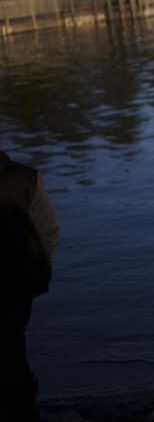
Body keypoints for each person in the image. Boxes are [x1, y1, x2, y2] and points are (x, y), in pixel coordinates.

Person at [0, 151, 59, 421]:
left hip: (17, 282)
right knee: (12, 347)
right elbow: (47, 232)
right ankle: (22, 411)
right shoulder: (26, 177)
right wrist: (38, 266)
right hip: (17, 283)